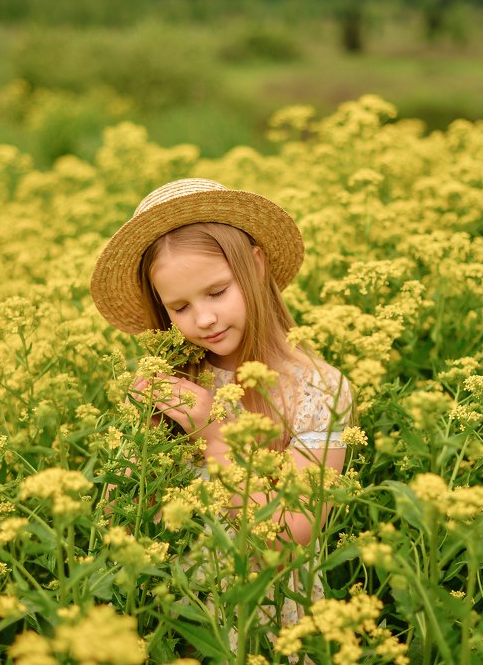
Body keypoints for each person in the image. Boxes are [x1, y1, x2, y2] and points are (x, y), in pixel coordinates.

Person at [89, 177, 353, 633]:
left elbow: (292, 535)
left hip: (267, 621)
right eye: (180, 308)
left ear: (256, 265)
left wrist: (213, 433)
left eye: (217, 292)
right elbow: (117, 522)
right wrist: (139, 431)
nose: (205, 318)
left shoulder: (319, 389)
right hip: (175, 616)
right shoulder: (172, 385)